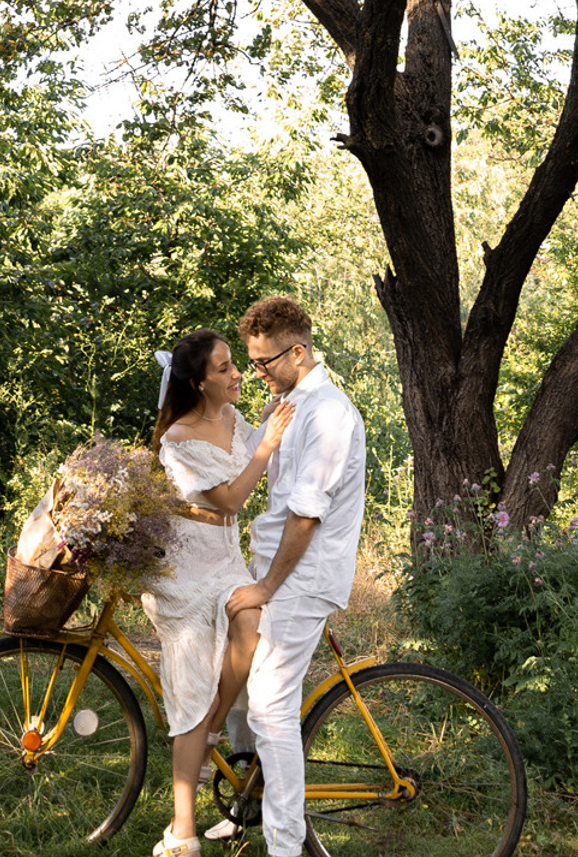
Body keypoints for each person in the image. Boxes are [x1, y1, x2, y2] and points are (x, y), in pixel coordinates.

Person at [215, 294, 367, 857]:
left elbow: (305, 515)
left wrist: (265, 588)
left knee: (270, 703)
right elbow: (247, 467)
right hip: (273, 565)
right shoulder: (288, 405)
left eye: (263, 363)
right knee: (232, 685)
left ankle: (285, 845)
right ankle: (248, 803)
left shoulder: (327, 413)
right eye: (250, 362)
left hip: (302, 576)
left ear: (297, 352)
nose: (256, 373)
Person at [146, 327, 297, 857]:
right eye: (225, 369)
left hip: (226, 560)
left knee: (250, 622)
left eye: (236, 365)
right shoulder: (179, 439)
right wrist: (268, 445)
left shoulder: (233, 418)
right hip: (187, 569)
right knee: (189, 688)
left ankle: (214, 725)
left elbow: (267, 452)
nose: (237, 375)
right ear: (199, 382)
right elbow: (231, 500)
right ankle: (182, 831)